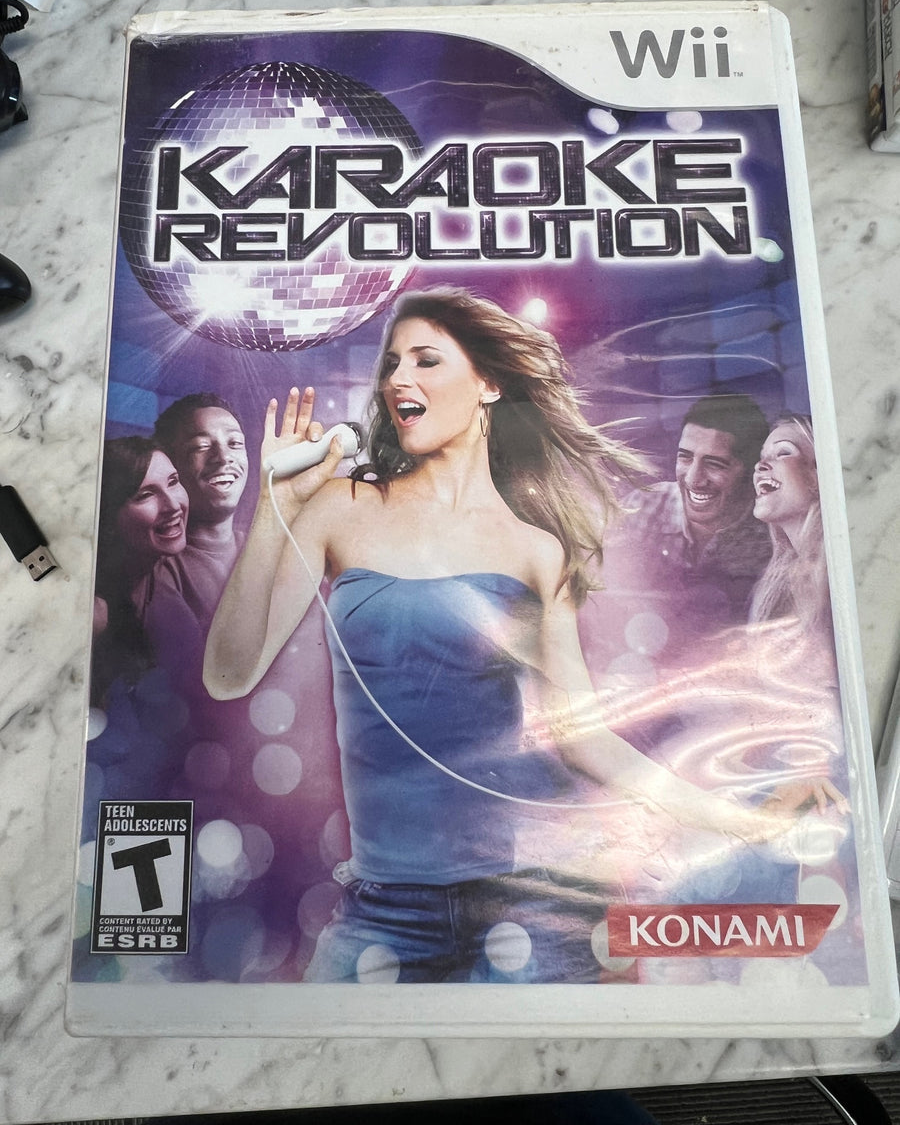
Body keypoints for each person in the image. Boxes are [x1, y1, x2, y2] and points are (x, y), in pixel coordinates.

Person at [203, 288, 799, 985]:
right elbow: (229, 673)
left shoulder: (537, 549)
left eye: (426, 360)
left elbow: (586, 740)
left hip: (527, 905)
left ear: (488, 383)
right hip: (382, 911)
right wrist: (276, 503)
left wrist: (737, 819)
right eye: (392, 363)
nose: (398, 379)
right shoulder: (344, 508)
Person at [622, 394, 772, 638]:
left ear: (749, 472)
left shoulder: (771, 537)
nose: (693, 479)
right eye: (685, 457)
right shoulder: (639, 507)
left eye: (714, 464)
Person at [91, 436, 190, 705]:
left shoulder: (166, 588)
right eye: (145, 495)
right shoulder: (95, 613)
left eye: (173, 482)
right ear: (107, 520)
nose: (173, 506)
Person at [153, 392, 249, 629]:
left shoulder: (265, 549)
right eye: (201, 446)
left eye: (235, 443)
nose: (223, 457)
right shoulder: (161, 571)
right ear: (171, 465)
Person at [750, 412, 829, 633]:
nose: (759, 465)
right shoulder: (778, 584)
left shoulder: (841, 569)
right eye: (762, 456)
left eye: (783, 452)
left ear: (819, 474)